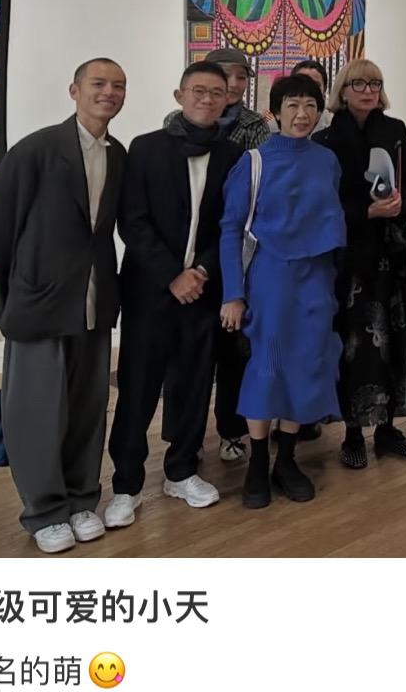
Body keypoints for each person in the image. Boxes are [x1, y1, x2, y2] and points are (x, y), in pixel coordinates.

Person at [0, 57, 127, 553]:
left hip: (93, 302)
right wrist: (16, 293)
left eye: (118, 86)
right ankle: (44, 510)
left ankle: (82, 498)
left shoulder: (118, 154)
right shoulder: (36, 150)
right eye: (98, 83)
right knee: (36, 412)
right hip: (39, 304)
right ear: (74, 90)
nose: (109, 92)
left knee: (88, 408)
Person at [105, 61, 242, 527]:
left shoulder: (233, 155)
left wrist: (200, 270)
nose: (207, 99)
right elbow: (132, 221)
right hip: (150, 291)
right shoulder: (146, 148)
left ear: (227, 100)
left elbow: (230, 225)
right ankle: (126, 484)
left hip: (203, 290)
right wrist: (172, 275)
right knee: (138, 388)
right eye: (198, 90)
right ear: (179, 95)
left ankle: (181, 470)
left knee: (194, 384)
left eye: (217, 92)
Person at [219, 74, 346, 507]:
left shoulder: (327, 160)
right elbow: (231, 229)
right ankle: (258, 461)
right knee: (267, 365)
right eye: (292, 105)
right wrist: (233, 294)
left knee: (308, 364)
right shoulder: (253, 162)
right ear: (275, 112)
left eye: (310, 105)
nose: (302, 114)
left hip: (317, 277)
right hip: (270, 277)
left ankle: (287, 459)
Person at [314, 59, 406, 468]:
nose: (368, 90)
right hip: (349, 259)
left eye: (375, 83)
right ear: (343, 91)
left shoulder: (395, 130)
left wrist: (400, 205)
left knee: (394, 340)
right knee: (353, 346)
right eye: (359, 83)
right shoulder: (326, 139)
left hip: (390, 255)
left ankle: (387, 427)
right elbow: (322, 202)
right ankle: (352, 430)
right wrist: (366, 211)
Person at [165, 48, 270, 463]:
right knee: (185, 359)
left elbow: (255, 195)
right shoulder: (172, 127)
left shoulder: (255, 129)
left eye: (240, 78)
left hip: (232, 256)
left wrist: (212, 264)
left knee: (233, 355)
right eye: (224, 77)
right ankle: (182, 442)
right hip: (181, 262)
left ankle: (231, 430)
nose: (232, 86)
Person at [264, 59, 334, 135]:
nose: (309, 89)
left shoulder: (333, 126)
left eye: (316, 85)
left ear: (325, 89)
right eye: (301, 83)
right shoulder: (270, 129)